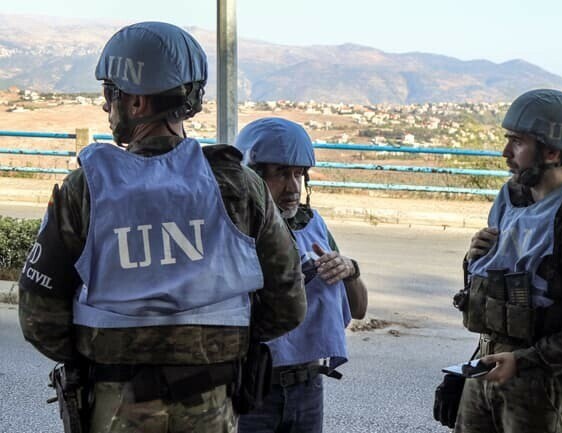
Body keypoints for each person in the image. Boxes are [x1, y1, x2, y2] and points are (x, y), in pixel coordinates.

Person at [18, 22, 306, 433]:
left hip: (117, 404)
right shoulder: (241, 186)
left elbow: (39, 317)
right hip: (214, 403)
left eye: (109, 94)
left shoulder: (86, 188)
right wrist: (217, 345)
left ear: (134, 102)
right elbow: (289, 302)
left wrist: (101, 357)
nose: (106, 106)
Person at [449, 89, 562, 433]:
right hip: (487, 362)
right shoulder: (512, 204)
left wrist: (523, 361)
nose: (506, 153)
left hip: (541, 384)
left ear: (551, 150)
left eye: (517, 143)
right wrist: (474, 258)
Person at [233, 117, 368, 433]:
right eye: (281, 174)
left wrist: (350, 270)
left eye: (298, 174)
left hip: (307, 387)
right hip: (253, 388)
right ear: (253, 178)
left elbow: (359, 309)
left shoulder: (312, 226)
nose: (293, 187)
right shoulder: (235, 230)